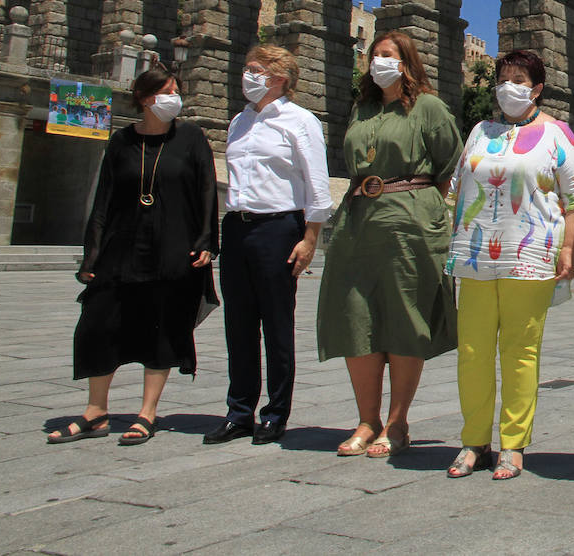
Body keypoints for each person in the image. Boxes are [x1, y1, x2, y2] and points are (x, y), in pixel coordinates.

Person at [48, 64, 218, 446]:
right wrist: (91, 254)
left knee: (162, 327)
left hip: (173, 249)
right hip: (121, 248)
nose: (174, 97)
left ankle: (147, 413)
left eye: (177, 90)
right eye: (166, 91)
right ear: (144, 98)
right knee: (97, 325)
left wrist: (207, 242)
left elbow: (207, 192)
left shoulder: (191, 139)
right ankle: (95, 412)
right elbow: (103, 201)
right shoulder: (121, 141)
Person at [444, 49, 574, 481]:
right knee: (471, 352)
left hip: (530, 255)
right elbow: (456, 188)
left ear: (537, 88)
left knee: (520, 352)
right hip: (473, 256)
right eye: (503, 78)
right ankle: (473, 442)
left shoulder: (558, 135)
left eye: (519, 79)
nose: (509, 86)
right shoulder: (480, 131)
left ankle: (513, 444)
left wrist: (569, 250)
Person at [316, 31, 462, 458]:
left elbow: (447, 163)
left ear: (407, 63)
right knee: (355, 316)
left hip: (408, 224)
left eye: (387, 55)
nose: (377, 61)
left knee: (404, 316)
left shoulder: (429, 107)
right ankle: (367, 419)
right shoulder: (361, 108)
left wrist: (418, 202)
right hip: (358, 221)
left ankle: (397, 422)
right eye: (374, 54)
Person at [204, 46, 332, 446]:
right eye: (248, 68)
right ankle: (239, 411)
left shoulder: (300, 121)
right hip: (239, 227)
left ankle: (275, 412)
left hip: (279, 228)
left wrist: (310, 238)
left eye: (255, 70)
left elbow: (318, 186)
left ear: (279, 77)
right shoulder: (239, 121)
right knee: (238, 325)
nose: (247, 75)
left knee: (277, 325)